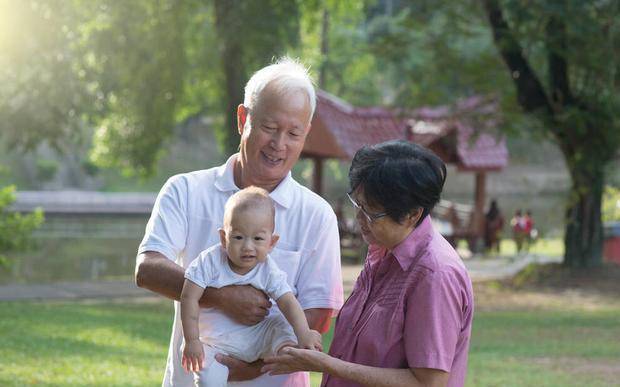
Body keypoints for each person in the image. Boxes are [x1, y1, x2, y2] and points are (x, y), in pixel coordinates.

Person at [135, 57, 344, 387]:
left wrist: (255, 365)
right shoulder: (186, 190)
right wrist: (218, 295)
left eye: (294, 133)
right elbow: (147, 268)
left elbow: (317, 315)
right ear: (242, 118)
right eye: (269, 128)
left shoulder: (316, 215)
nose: (279, 144)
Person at [263, 140, 474, 387]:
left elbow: (429, 383)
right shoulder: (382, 249)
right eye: (358, 204)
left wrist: (325, 364)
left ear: (412, 214)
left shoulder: (434, 274)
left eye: (372, 212)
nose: (360, 219)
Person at [180, 187, 322, 386]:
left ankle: (289, 349)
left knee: (282, 324)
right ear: (223, 238)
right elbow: (188, 298)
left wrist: (303, 332)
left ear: (272, 242)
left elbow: (288, 302)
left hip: (258, 337)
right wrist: (192, 340)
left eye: (258, 239)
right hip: (215, 341)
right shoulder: (209, 262)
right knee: (206, 374)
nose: (247, 246)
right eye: (238, 237)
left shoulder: (267, 269)